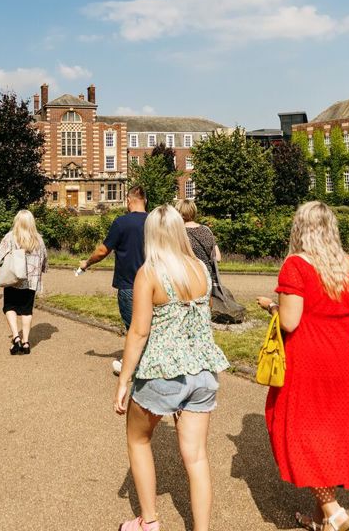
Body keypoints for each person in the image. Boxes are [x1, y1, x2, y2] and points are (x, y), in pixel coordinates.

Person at [114, 204, 229, 531]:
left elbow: (138, 331)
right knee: (196, 457)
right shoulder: (201, 270)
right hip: (203, 371)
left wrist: (124, 380)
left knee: (138, 439)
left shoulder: (149, 273)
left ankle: (148, 521)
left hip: (162, 372)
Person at [257, 201, 349, 531]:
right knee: (332, 432)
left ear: (299, 229)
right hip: (345, 355)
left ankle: (333, 510)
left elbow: (290, 322)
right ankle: (320, 518)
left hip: (308, 356)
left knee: (297, 430)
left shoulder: (296, 265)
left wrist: (272, 306)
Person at [78, 185, 147, 374]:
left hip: (129, 284)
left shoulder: (121, 223)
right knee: (150, 325)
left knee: (133, 328)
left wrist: (87, 263)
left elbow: (102, 251)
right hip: (153, 284)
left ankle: (134, 366)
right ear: (145, 201)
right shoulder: (155, 221)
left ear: (128, 200)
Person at [0, 209, 48, 355]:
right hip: (31, 281)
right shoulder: (38, 239)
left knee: (10, 306)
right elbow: (44, 261)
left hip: (13, 279)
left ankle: (16, 337)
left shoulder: (10, 237)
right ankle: (26, 341)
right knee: (26, 310)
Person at [176, 199, 221, 284]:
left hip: (188, 280)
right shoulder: (206, 230)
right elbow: (217, 257)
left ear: (179, 213)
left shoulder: (178, 233)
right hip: (207, 279)